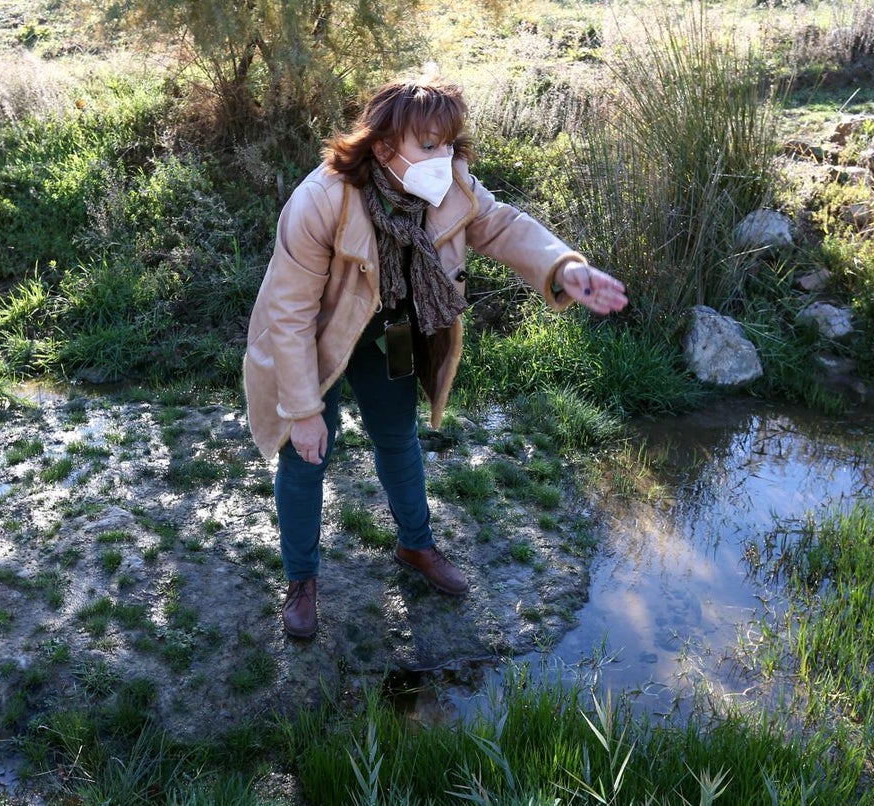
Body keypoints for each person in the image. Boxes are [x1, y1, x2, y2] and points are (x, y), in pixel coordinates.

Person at [243, 72, 628, 640]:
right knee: (305, 454)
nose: (443, 158)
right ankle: (302, 580)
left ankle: (416, 546)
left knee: (398, 438)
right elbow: (290, 313)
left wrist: (563, 266)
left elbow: (499, 224)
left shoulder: (448, 183)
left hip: (390, 330)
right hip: (314, 339)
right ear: (383, 148)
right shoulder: (320, 201)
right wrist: (302, 409)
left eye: (448, 144)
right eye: (428, 145)